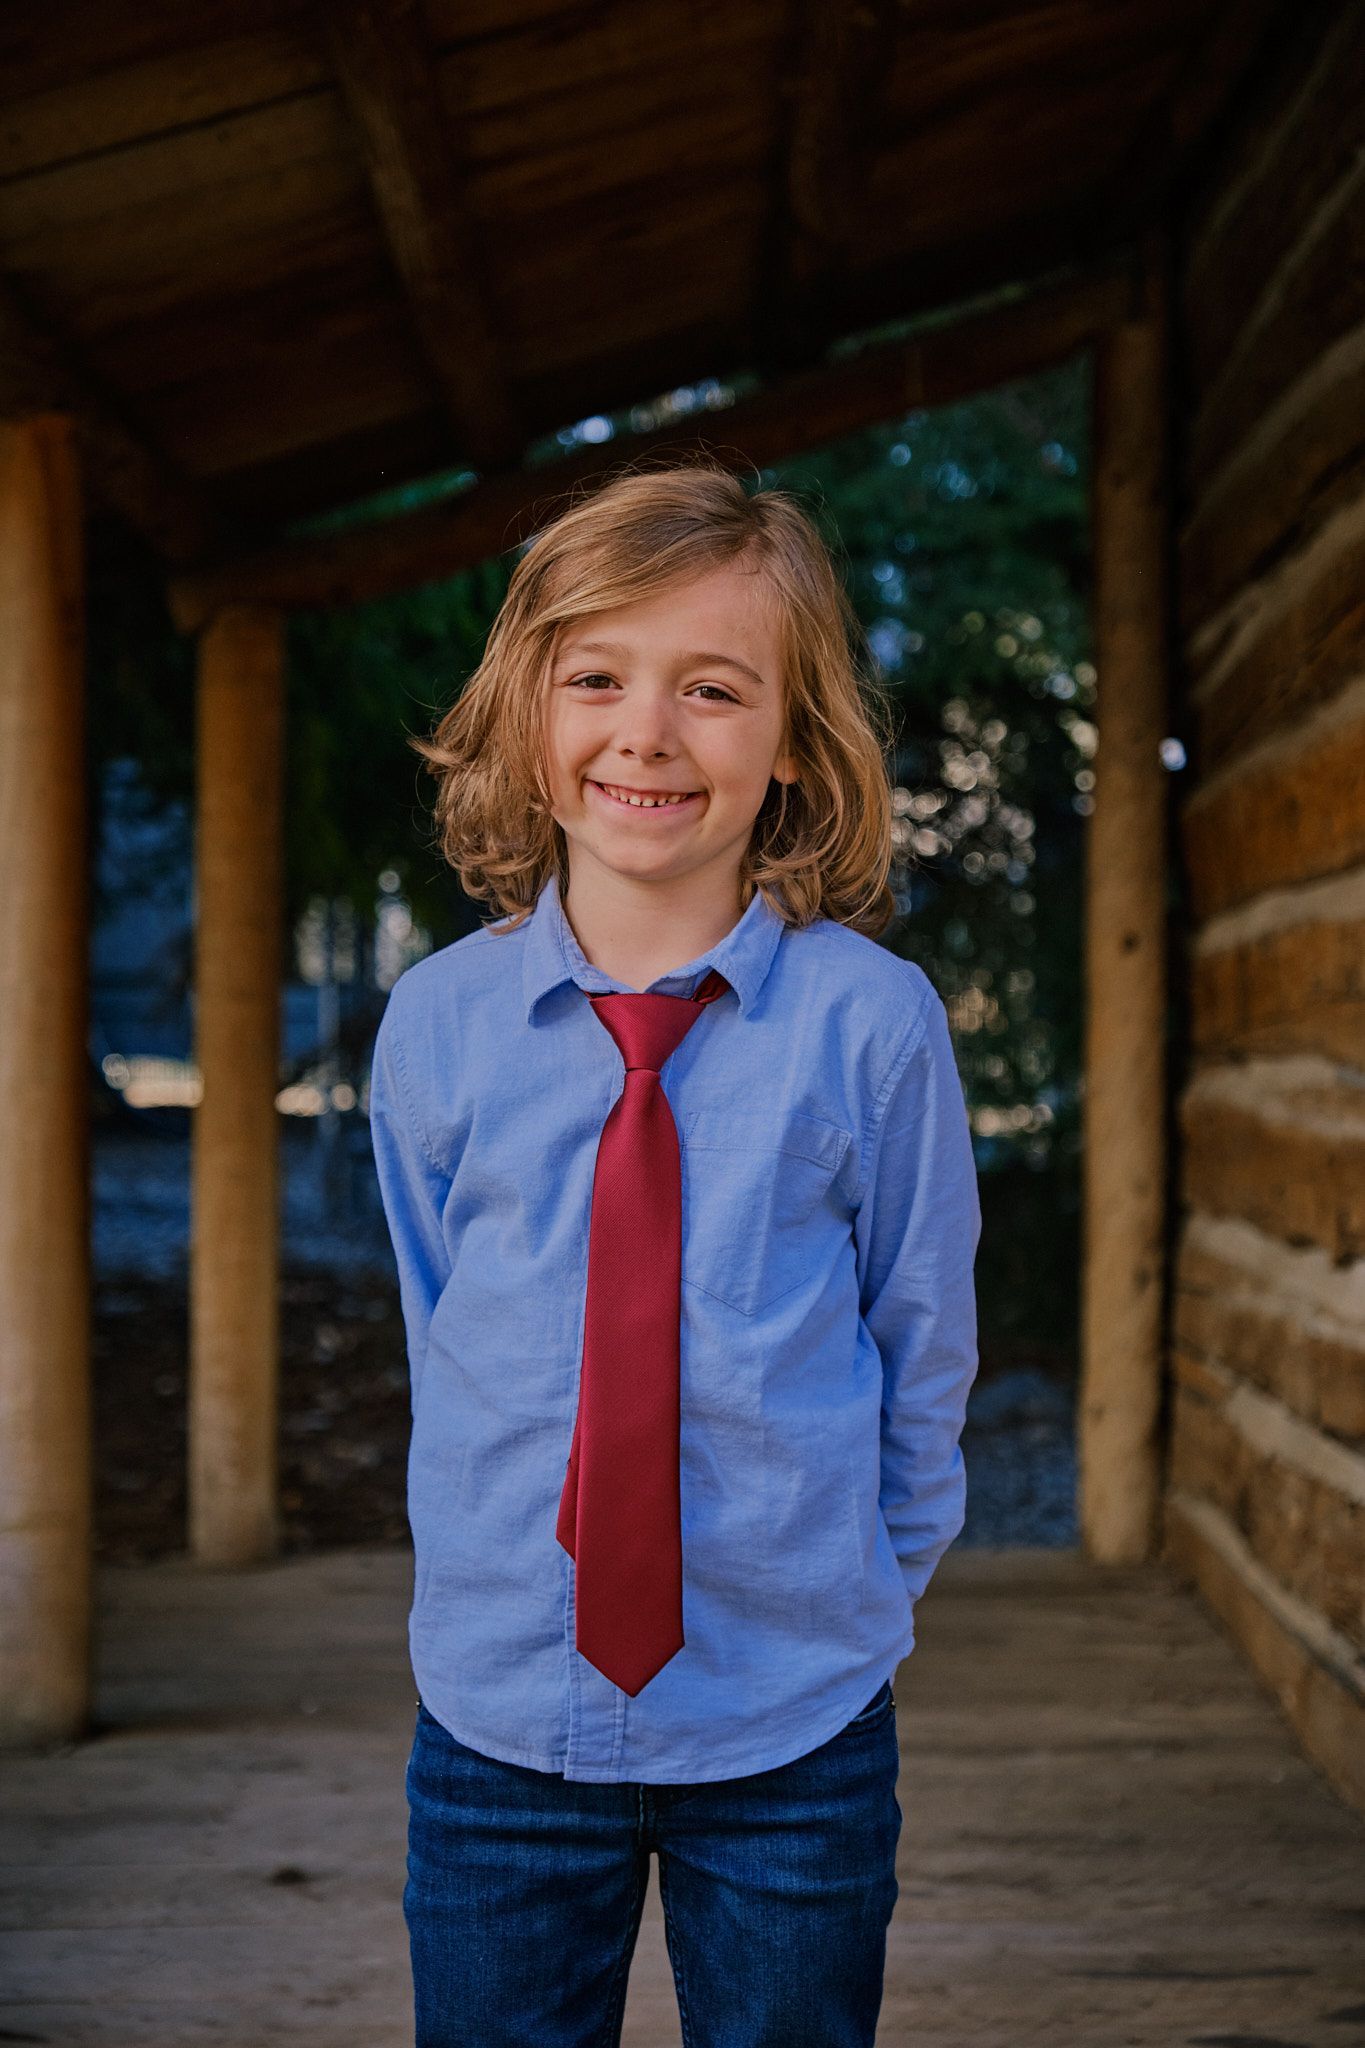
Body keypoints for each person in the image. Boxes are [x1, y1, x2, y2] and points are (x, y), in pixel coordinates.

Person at [367, 460, 981, 2048]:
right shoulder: (436, 1023)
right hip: (502, 1711)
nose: (645, 732)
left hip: (792, 1718)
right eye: (596, 678)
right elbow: (441, 1318)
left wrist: (863, 1591)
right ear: (526, 712)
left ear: (795, 742)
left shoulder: (874, 1027)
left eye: (712, 689)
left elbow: (919, 1336)